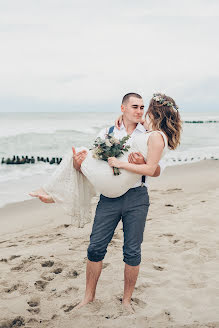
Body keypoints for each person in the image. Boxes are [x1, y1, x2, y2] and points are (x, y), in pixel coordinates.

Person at [30, 92, 182, 312]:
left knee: (132, 251)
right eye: (134, 107)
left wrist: (142, 162)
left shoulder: (150, 132)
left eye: (142, 107)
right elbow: (93, 166)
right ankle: (88, 297)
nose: (139, 111)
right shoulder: (108, 132)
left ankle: (127, 300)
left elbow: (156, 170)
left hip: (137, 196)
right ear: (123, 108)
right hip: (108, 199)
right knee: (95, 248)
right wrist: (77, 163)